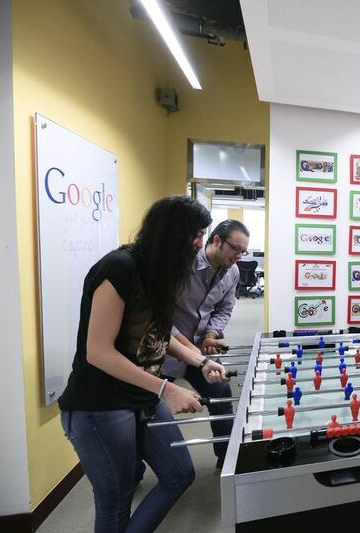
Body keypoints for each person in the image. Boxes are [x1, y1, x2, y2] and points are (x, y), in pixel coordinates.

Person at [58, 196, 228, 532]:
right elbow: (98, 352)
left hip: (140, 396)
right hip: (100, 405)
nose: (200, 243)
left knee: (179, 473)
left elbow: (165, 334)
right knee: (116, 498)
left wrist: (201, 360)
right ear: (170, 232)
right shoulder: (119, 268)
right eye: (196, 234)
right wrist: (166, 389)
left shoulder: (163, 272)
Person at [161, 219, 250, 467]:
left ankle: (227, 458)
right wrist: (184, 346)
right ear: (217, 241)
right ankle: (132, 469)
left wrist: (211, 334)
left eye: (244, 251)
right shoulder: (181, 265)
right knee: (146, 408)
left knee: (220, 392)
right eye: (236, 249)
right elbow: (161, 315)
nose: (239, 256)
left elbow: (225, 307)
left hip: (199, 349)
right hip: (162, 350)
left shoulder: (232, 272)